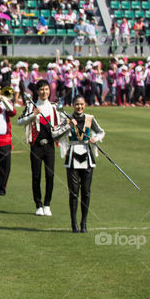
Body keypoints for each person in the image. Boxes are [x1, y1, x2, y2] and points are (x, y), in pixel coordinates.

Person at [56, 97, 105, 233]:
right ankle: (74, 223)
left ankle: (84, 223)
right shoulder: (67, 118)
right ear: (73, 105)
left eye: (81, 104)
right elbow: (56, 134)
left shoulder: (90, 118)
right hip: (72, 157)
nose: (79, 107)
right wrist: (68, 126)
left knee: (86, 192)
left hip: (87, 157)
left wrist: (96, 138)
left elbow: (101, 131)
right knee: (73, 192)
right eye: (77, 104)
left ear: (85, 105)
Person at [17, 79, 64, 217]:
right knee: (36, 176)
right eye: (42, 89)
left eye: (46, 89)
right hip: (36, 146)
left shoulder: (54, 107)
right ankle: (38, 204)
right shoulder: (32, 106)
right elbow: (20, 121)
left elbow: (61, 125)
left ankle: (47, 204)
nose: (44, 92)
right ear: (37, 91)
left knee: (50, 176)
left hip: (49, 146)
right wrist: (33, 115)